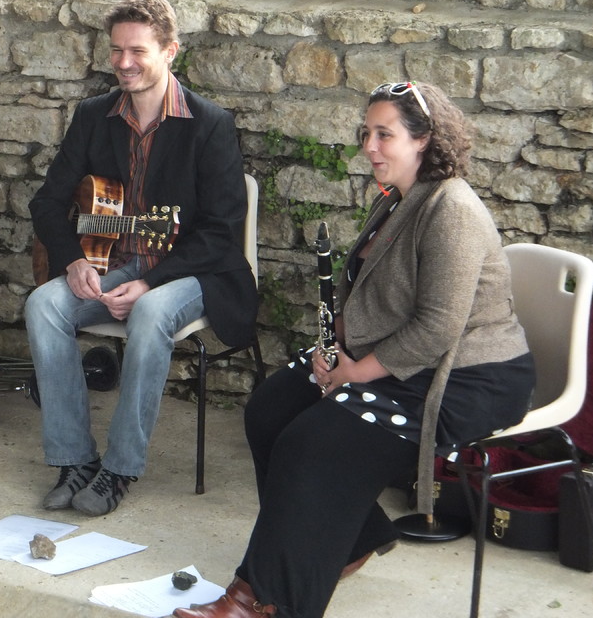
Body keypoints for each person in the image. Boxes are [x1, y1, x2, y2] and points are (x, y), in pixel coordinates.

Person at [174, 82, 535, 618]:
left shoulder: (450, 209)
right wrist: (333, 345)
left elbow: (438, 327)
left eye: (384, 134)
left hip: (468, 374)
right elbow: (364, 291)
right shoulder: (393, 198)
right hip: (391, 355)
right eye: (366, 132)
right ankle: (350, 535)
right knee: (272, 409)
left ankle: (259, 599)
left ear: (424, 140)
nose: (369, 145)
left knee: (312, 444)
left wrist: (356, 372)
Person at [26, 0, 258, 516]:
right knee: (44, 304)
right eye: (115, 51)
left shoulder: (208, 123)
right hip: (112, 264)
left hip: (193, 271)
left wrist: (150, 280)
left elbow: (222, 229)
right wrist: (74, 262)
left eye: (137, 51)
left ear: (170, 51)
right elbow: (48, 202)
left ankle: (119, 469)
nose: (124, 63)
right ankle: (75, 460)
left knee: (151, 312)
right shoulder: (93, 116)